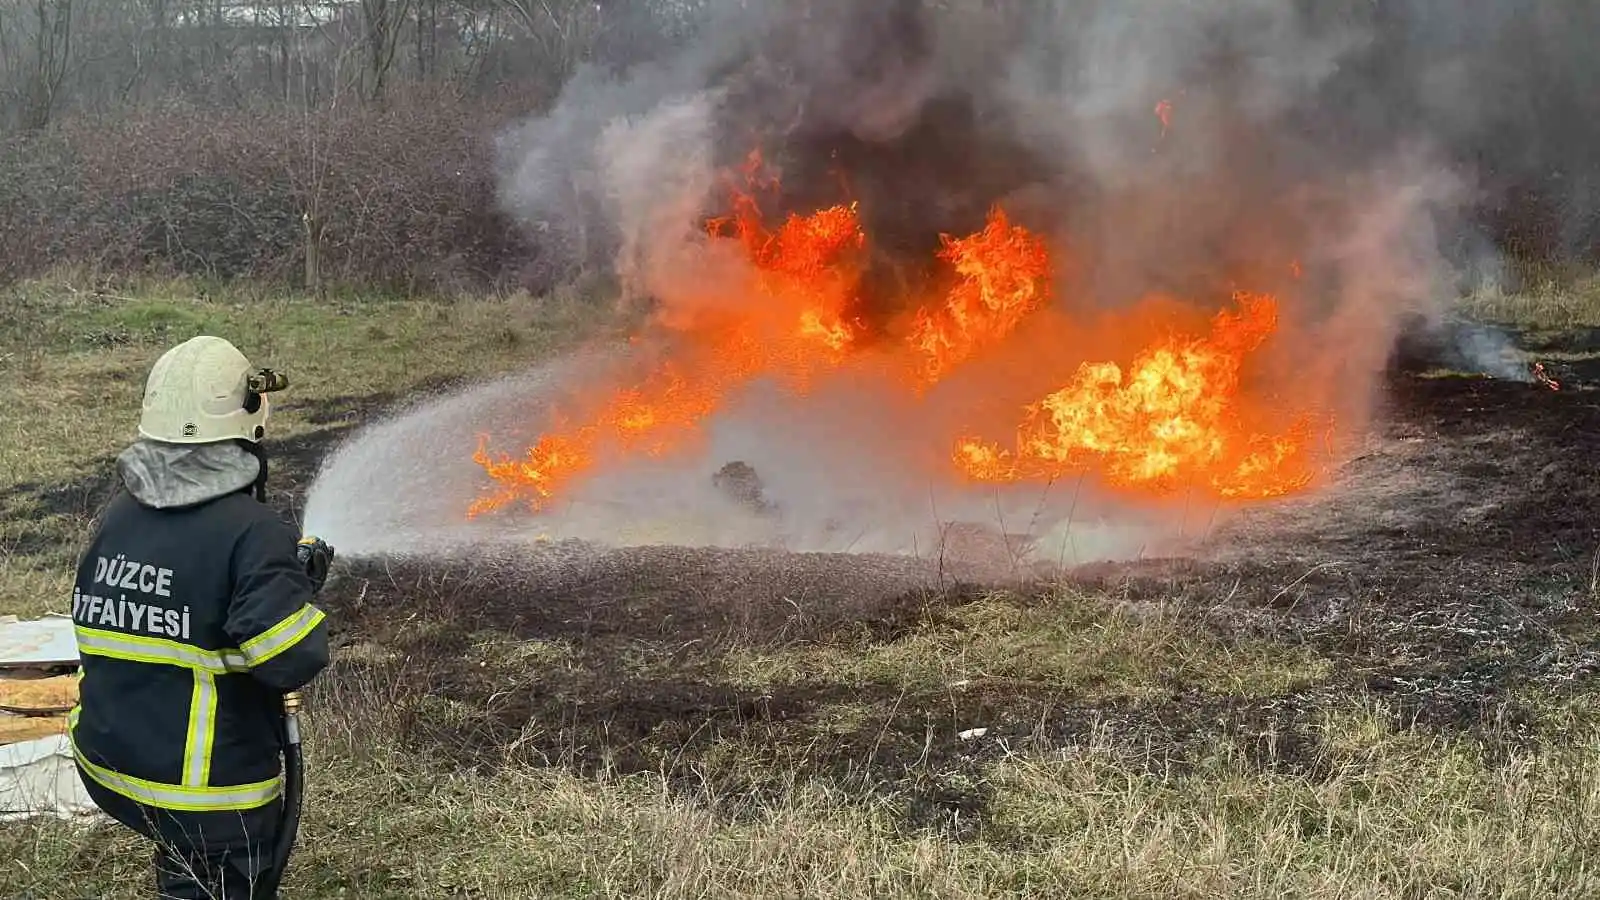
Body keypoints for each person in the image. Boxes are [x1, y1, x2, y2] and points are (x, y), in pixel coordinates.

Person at [66, 335, 335, 899]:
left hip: (112, 763)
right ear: (249, 421)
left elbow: (182, 606)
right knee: (220, 876)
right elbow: (289, 657)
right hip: (205, 792)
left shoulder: (121, 515)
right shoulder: (253, 531)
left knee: (185, 855)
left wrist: (279, 582)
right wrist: (297, 589)